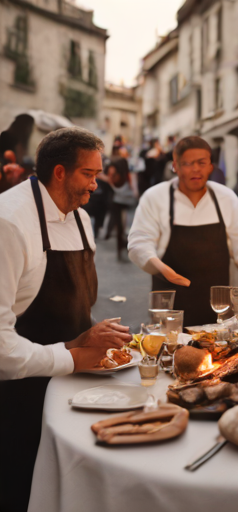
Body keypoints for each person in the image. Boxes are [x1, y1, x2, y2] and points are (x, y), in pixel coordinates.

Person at [0, 127, 132, 512]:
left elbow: (76, 300)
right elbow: (2, 348)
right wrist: (72, 355)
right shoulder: (9, 223)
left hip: (77, 382)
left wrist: (92, 336)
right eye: (89, 175)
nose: (96, 184)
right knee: (21, 482)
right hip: (19, 392)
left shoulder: (80, 218)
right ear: (59, 172)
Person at [128, 136, 238, 327]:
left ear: (210, 167)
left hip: (218, 305)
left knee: (218, 353)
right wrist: (161, 268)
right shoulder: (155, 197)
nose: (195, 169)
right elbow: (139, 242)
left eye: (201, 163)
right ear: (175, 166)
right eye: (187, 163)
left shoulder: (226, 197)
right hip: (170, 302)